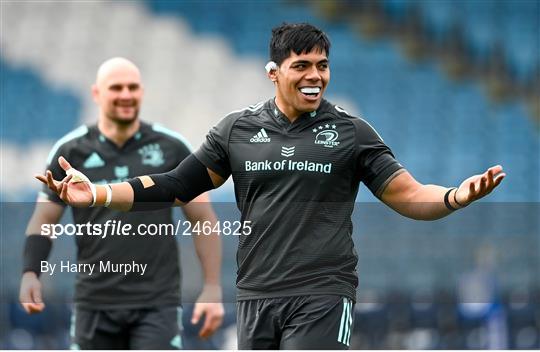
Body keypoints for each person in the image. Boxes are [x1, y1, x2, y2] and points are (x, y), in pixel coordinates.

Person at [37, 24, 505, 349]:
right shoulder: (235, 130)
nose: (315, 76)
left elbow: (407, 194)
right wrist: (96, 192)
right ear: (273, 71)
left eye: (322, 65)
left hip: (323, 292)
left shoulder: (351, 132)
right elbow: (177, 184)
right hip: (257, 294)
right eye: (302, 65)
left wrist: (453, 197)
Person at [21, 57, 224, 349]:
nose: (126, 95)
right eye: (116, 87)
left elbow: (203, 218)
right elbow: (43, 222)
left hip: (157, 301)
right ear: (96, 93)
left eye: (133, 87)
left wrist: (213, 287)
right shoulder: (70, 151)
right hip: (94, 301)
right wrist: (30, 273)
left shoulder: (172, 146)